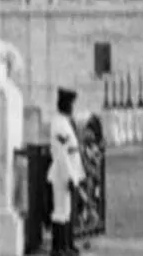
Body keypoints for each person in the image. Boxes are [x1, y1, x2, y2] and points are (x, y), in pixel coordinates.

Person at [48, 87, 87, 256]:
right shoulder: (58, 124)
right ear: (63, 104)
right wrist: (70, 176)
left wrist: (77, 174)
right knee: (60, 211)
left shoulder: (64, 122)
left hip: (69, 172)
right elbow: (62, 154)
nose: (72, 108)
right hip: (61, 173)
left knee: (67, 211)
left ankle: (66, 245)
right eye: (70, 104)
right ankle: (58, 248)